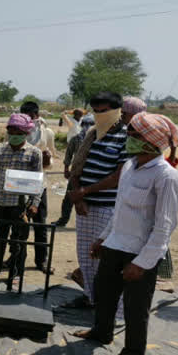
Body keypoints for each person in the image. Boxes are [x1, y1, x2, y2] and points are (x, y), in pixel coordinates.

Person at [73, 113, 178, 355]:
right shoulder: (130, 167)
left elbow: (165, 225)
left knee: (136, 308)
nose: (128, 139)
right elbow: (119, 209)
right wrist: (103, 237)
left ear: (151, 141)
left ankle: (132, 354)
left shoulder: (166, 176)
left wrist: (143, 263)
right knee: (104, 293)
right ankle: (101, 333)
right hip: (115, 244)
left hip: (139, 253)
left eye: (134, 135)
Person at [64, 92, 129, 309]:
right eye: (96, 111)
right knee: (85, 255)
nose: (100, 115)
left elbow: (118, 177)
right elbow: (76, 168)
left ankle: (110, 306)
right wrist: (78, 196)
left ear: (118, 111)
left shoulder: (126, 137)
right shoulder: (91, 134)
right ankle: (92, 298)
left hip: (107, 208)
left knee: (105, 256)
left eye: (105, 111)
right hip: (85, 207)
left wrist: (84, 191)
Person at [0, 114, 43, 282]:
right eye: (11, 130)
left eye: (18, 131)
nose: (14, 134)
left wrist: (35, 203)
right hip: (1, 202)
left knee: (18, 241)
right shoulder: (0, 149)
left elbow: (38, 179)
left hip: (21, 205)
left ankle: (16, 272)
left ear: (26, 133)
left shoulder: (34, 153)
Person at [19, 101, 57, 274]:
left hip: (39, 183)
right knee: (18, 223)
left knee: (40, 224)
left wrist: (47, 160)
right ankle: (15, 258)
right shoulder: (16, 131)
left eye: (32, 117)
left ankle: (42, 260)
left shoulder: (47, 132)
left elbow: (52, 155)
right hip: (19, 182)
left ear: (37, 115)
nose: (30, 120)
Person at [53, 114, 94, 227]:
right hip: (76, 173)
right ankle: (63, 220)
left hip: (92, 175)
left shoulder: (98, 139)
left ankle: (87, 222)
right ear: (81, 125)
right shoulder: (76, 139)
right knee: (69, 198)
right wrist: (66, 168)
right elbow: (69, 154)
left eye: (90, 124)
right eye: (85, 124)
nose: (87, 127)